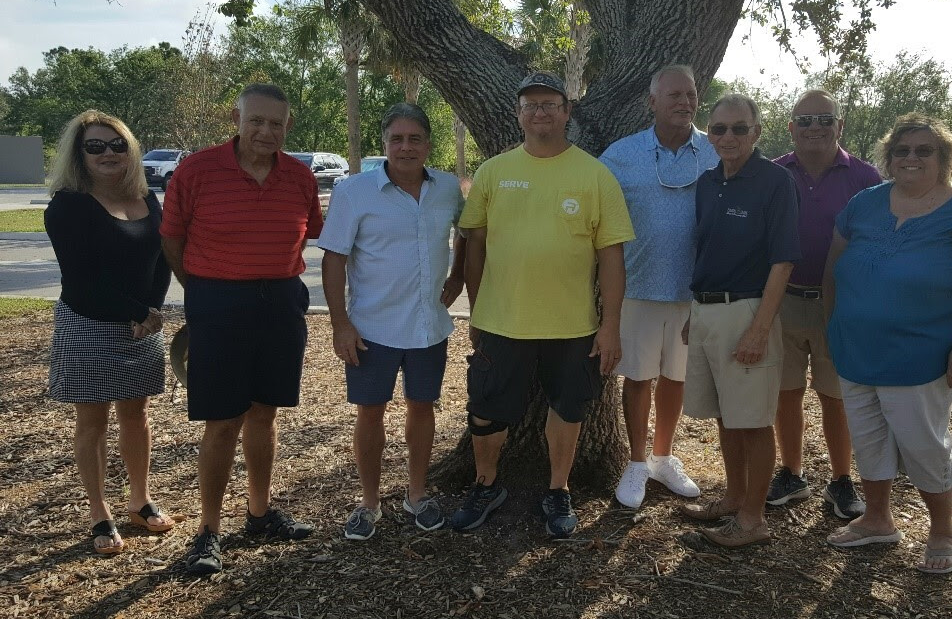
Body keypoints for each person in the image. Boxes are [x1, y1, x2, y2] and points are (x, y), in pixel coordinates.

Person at [823, 113, 952, 574]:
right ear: (889, 157)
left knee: (924, 445)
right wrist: (834, 326)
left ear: (945, 158)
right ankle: (877, 519)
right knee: (868, 439)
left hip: (920, 358)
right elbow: (834, 268)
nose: (911, 158)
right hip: (855, 351)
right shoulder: (864, 204)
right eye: (902, 150)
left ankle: (944, 531)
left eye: (924, 150)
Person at [451, 71, 634, 538]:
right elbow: (474, 246)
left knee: (569, 408)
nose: (540, 112)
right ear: (518, 114)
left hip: (573, 324)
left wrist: (609, 325)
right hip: (501, 320)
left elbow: (612, 258)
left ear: (567, 112)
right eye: (531, 105)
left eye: (550, 104)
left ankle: (558, 489)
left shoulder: (595, 175)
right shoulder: (493, 172)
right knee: (486, 409)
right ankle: (485, 484)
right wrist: (477, 309)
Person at [161, 83, 324, 575]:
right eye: (256, 120)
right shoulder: (196, 170)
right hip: (218, 301)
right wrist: (207, 290)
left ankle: (258, 512)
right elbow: (172, 238)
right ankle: (208, 530)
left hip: (281, 301)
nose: (266, 131)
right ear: (237, 118)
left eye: (276, 123)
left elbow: (312, 230)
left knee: (263, 413)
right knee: (222, 419)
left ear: (288, 127)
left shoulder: (298, 176)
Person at [319, 103, 466, 540]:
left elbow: (470, 235)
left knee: (422, 408)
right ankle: (369, 503)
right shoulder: (354, 192)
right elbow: (334, 259)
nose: (406, 147)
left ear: (427, 143)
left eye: (414, 138)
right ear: (384, 145)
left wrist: (457, 277)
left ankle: (417, 495)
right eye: (396, 139)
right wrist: (340, 324)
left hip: (428, 326)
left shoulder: (446, 188)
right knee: (371, 412)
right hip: (371, 329)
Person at [44, 110, 174, 555]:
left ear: (130, 150)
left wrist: (152, 310)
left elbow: (162, 257)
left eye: (116, 144)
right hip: (88, 324)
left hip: (142, 325)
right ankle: (100, 512)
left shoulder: (145, 196)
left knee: (136, 416)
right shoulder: (68, 205)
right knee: (93, 422)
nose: (107, 153)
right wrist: (141, 312)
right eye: (95, 146)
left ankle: (139, 500)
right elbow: (82, 279)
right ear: (79, 155)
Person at [680, 94, 801, 548]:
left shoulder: (775, 182)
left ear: (756, 132)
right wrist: (697, 312)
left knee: (752, 421)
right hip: (707, 311)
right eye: (718, 129)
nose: (727, 137)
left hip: (750, 311)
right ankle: (733, 499)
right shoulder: (709, 183)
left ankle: (753, 521)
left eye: (738, 128)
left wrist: (759, 329)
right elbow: (706, 250)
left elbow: (783, 261)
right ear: (709, 134)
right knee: (726, 419)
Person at [599, 65, 719, 509]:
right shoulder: (621, 154)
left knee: (676, 378)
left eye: (690, 94)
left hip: (695, 290)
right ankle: (635, 463)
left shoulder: (713, 150)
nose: (684, 102)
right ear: (653, 102)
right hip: (638, 285)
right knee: (639, 377)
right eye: (674, 95)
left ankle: (664, 458)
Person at [767, 90, 883, 519]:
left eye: (824, 118)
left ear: (840, 126)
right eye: (805, 119)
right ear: (791, 127)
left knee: (836, 396)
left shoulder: (865, 178)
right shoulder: (774, 174)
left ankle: (840, 480)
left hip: (841, 306)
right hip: (784, 300)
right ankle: (792, 473)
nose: (815, 126)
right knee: (786, 392)